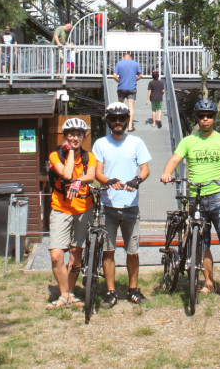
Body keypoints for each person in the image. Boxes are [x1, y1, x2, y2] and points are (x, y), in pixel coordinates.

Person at [160, 99, 220, 299]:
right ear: (197, 119)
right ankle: (208, 282)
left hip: (219, 196)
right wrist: (167, 173)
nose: (205, 119)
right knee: (202, 243)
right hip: (196, 197)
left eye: (209, 116)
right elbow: (175, 159)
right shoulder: (189, 141)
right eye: (201, 116)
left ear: (214, 118)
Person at [92, 102, 152, 307]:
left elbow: (145, 169)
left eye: (122, 118)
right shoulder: (100, 143)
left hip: (130, 207)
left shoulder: (136, 142)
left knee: (132, 251)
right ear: (108, 121)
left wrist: (137, 180)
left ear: (127, 120)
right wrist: (107, 181)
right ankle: (110, 291)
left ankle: (133, 289)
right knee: (108, 251)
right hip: (108, 206)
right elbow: (98, 171)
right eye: (113, 119)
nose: (118, 122)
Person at [45, 118, 97, 309]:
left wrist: (79, 181)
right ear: (66, 136)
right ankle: (64, 293)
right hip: (61, 208)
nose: (75, 137)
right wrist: (71, 152)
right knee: (56, 255)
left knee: (76, 253)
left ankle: (69, 293)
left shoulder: (89, 157)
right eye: (71, 134)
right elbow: (66, 175)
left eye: (79, 134)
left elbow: (91, 176)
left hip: (83, 208)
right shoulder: (55, 155)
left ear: (84, 136)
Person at [112, 52, 142, 131]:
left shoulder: (119, 63)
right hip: (132, 88)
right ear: (131, 57)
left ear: (123, 57)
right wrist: (135, 79)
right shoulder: (135, 64)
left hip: (121, 88)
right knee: (131, 108)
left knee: (120, 106)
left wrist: (119, 81)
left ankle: (120, 124)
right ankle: (130, 126)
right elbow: (141, 75)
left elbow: (114, 76)